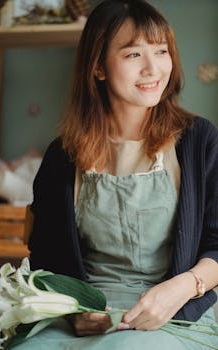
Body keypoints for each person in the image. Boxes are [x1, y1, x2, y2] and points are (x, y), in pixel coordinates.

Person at [17, 0, 218, 349]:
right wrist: (72, 310)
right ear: (98, 67)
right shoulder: (62, 155)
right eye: (133, 55)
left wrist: (182, 288)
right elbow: (45, 257)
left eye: (161, 51)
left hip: (177, 314)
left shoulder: (199, 141)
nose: (154, 68)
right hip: (87, 318)